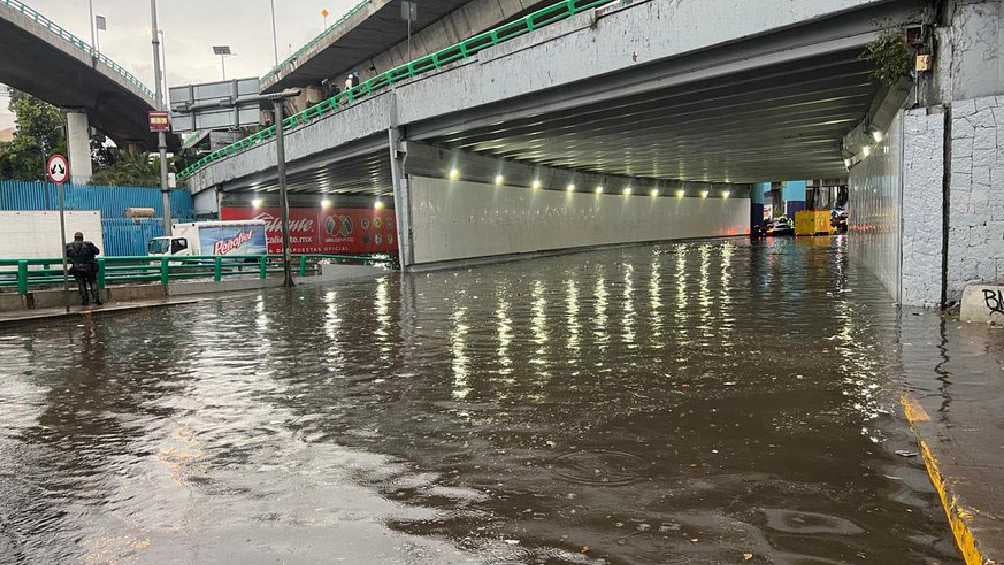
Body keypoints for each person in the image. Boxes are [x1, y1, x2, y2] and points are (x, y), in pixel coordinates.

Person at [66, 232, 101, 306]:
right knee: (93, 282)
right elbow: (97, 252)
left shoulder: (69, 246)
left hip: (77, 268)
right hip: (89, 267)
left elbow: (66, 256)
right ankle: (96, 299)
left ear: (75, 237)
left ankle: (85, 300)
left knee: (81, 284)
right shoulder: (88, 244)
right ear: (82, 237)